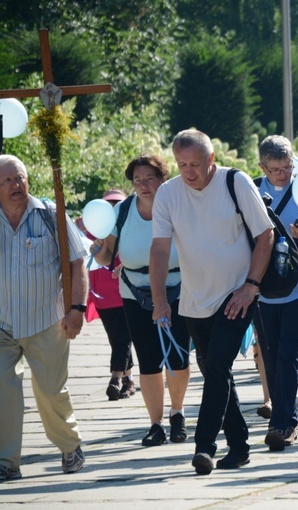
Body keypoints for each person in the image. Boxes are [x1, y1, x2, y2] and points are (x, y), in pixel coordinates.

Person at [150, 130, 273, 475]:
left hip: (237, 295)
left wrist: (250, 286)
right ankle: (239, 445)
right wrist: (160, 301)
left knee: (217, 367)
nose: (189, 172)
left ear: (211, 160)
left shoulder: (236, 181)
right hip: (193, 301)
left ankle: (204, 446)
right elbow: (159, 250)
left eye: (195, 164)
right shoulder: (168, 194)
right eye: (182, 164)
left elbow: (266, 235)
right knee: (216, 371)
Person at [93, 154, 191, 447]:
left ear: (163, 179)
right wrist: (98, 249)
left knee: (178, 356)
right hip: (135, 292)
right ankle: (156, 424)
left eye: (150, 178)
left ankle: (178, 413)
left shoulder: (179, 206)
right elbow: (107, 256)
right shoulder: (122, 212)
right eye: (137, 180)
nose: (144, 185)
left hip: (178, 287)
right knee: (148, 359)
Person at [0, 154, 88, 480]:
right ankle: (6, 463)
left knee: (50, 390)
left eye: (19, 178)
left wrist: (76, 309)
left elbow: (78, 263)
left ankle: (69, 447)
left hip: (46, 321)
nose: (15, 185)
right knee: (2, 392)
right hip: (2, 325)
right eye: (7, 180)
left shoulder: (51, 214)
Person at [254, 135, 298, 450]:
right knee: (270, 355)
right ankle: (281, 416)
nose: (284, 174)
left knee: (287, 352)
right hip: (263, 289)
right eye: (276, 169)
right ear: (262, 167)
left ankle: (283, 423)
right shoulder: (250, 191)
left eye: (288, 167)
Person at [78, 188, 136, 401]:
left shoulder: (129, 229)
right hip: (103, 299)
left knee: (121, 339)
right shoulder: (92, 234)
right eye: (108, 204)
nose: (111, 209)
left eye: (116, 204)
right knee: (117, 341)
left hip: (126, 295)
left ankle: (115, 379)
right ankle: (129, 380)